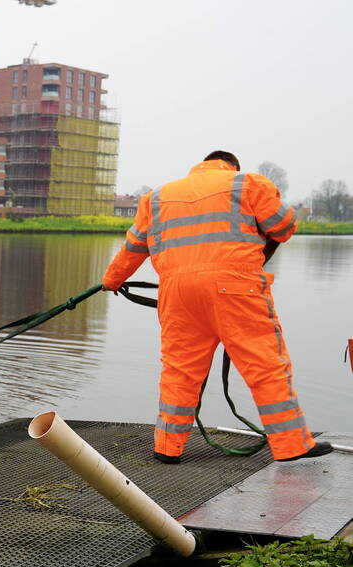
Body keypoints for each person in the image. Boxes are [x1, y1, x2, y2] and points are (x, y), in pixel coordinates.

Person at [102, 150, 331, 464]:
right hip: (236, 290)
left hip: (178, 295)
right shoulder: (248, 184)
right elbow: (283, 227)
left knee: (179, 372)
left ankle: (167, 448)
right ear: (232, 166)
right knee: (265, 366)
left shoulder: (156, 198)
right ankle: (292, 445)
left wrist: (112, 280)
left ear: (200, 166)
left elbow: (133, 247)